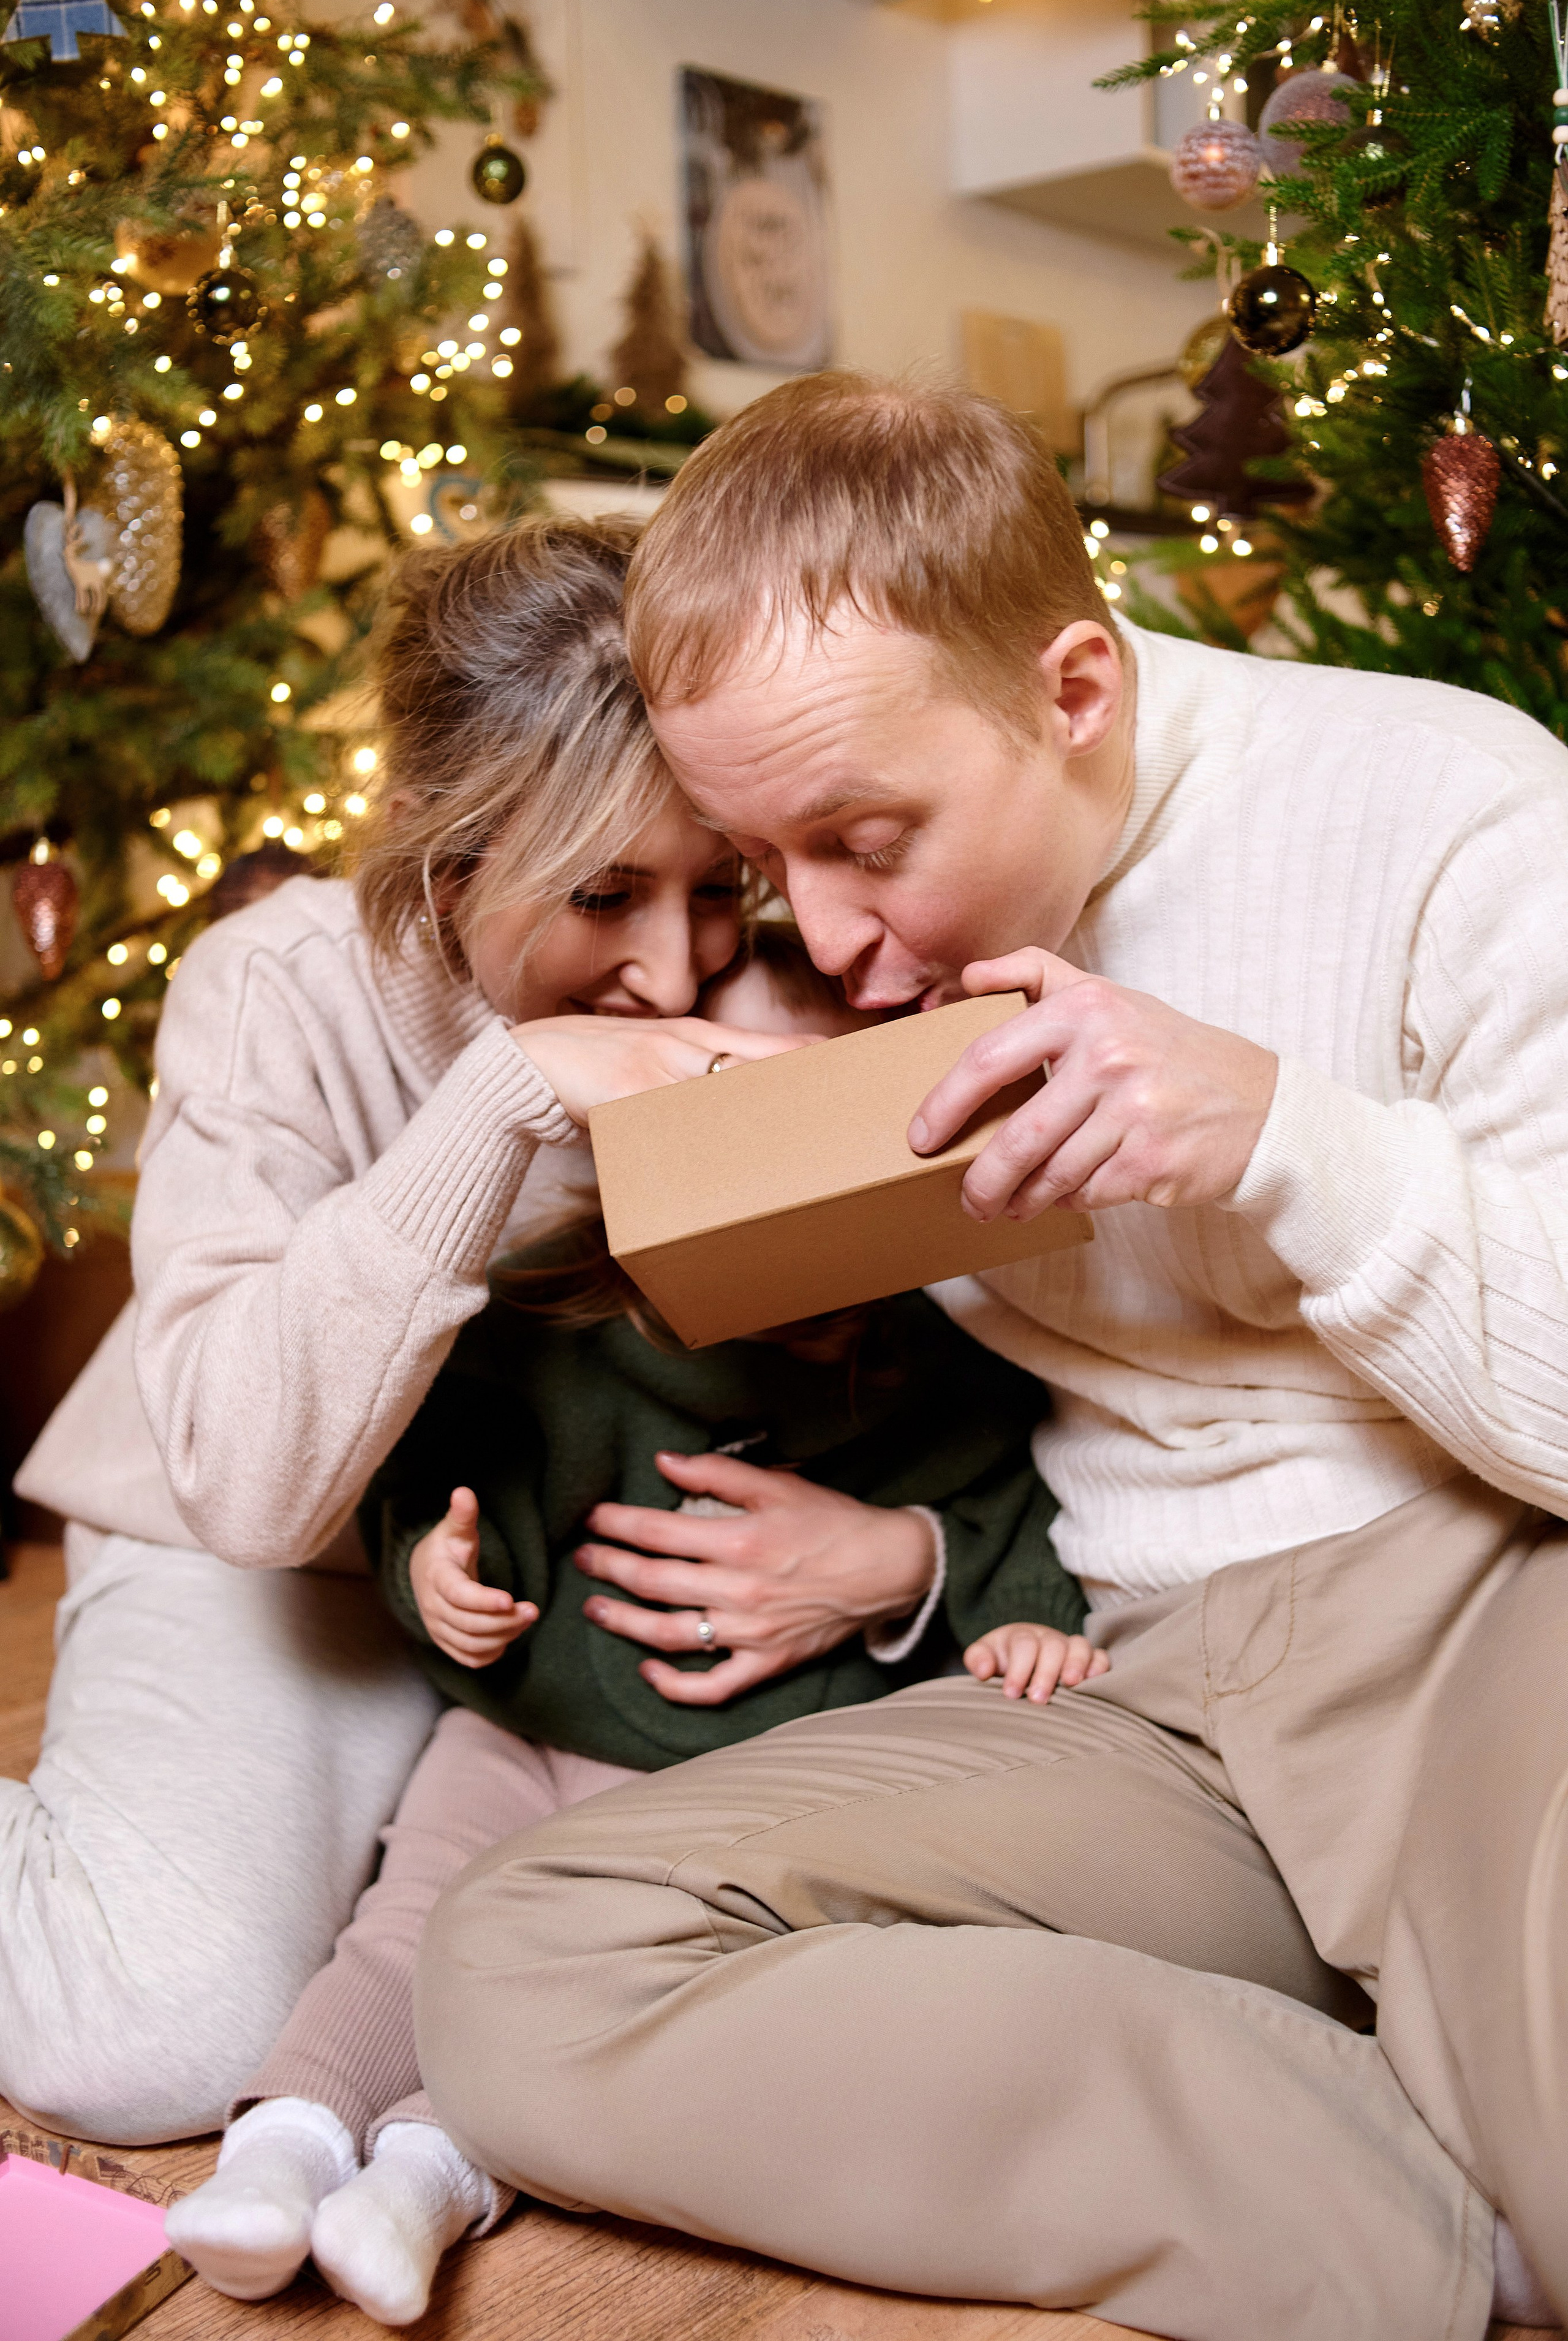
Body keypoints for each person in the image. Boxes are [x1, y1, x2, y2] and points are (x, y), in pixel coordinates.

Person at [415, 376, 1568, 2340]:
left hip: (1478, 1608)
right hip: (1134, 1679)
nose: (835, 940)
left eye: (869, 840)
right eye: (773, 863)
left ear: (1076, 692)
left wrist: (1291, 1143)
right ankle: (1423, 2239)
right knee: (530, 1960)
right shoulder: (830, 977)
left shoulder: (1459, 811)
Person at [0, 517, 940, 2146]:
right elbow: (253, 1490)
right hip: (279, 1547)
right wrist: (499, 1104)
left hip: (563, 1580)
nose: (674, 965)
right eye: (601, 896)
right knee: (155, 2038)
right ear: (449, 869)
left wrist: (899, 1554)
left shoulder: (779, 977)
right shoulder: (272, 991)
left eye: (713, 885)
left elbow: (919, 1356)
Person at [165, 927, 1132, 2326]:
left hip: (718, 1788)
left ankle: (430, 2177)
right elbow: (442, 1469)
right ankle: (284, 2148)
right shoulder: (553, 1308)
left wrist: (996, 1610)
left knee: (589, 1990)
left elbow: (1011, 1518)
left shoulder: (930, 1355)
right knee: (402, 1929)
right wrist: (439, 1568)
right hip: (525, 1725)